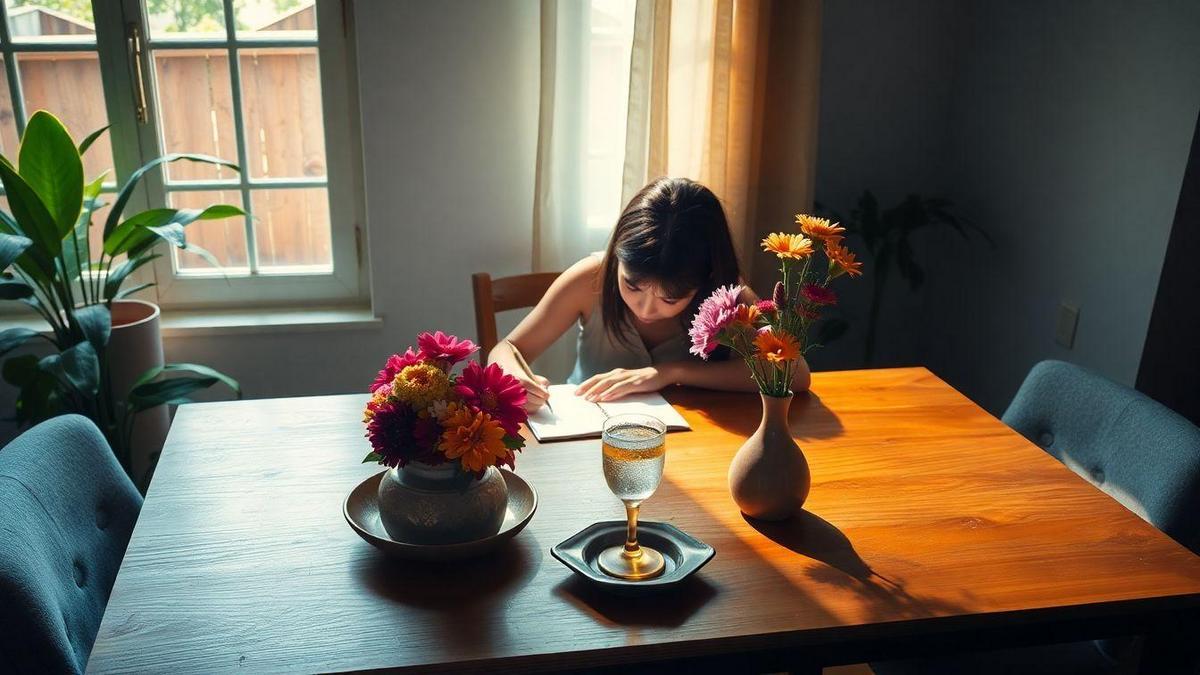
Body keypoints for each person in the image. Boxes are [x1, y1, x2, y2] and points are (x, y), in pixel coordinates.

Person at [489, 177, 812, 412]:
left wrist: (670, 373)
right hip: (587, 435)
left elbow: (794, 373)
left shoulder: (727, 294)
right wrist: (516, 377)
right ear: (617, 254)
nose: (645, 308)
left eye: (670, 299)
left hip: (685, 448)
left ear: (707, 279)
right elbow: (507, 349)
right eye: (631, 285)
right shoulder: (591, 278)